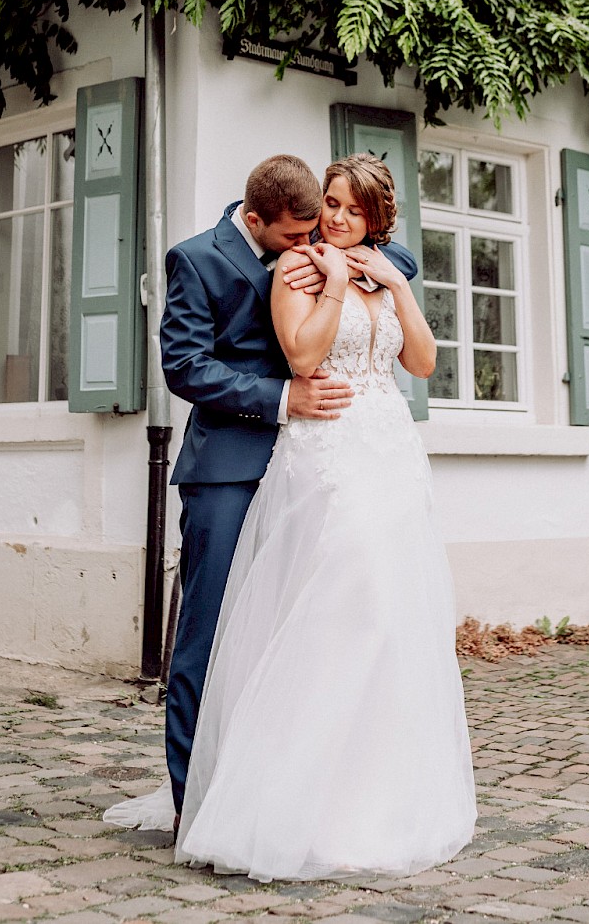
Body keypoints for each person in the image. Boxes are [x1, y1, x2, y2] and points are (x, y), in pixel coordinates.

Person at [174, 153, 476, 880]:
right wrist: (336, 284)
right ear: (266, 222)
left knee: (381, 619)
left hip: (382, 454)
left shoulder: (370, 261)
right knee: (227, 632)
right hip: (290, 456)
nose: (327, 224)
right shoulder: (254, 265)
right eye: (320, 212)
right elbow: (211, 365)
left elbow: (423, 354)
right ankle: (204, 802)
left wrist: (387, 276)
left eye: (343, 210)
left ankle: (364, 791)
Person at [103, 153, 418, 837]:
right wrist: (281, 396)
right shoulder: (196, 259)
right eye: (296, 235)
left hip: (312, 469)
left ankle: (275, 783)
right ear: (255, 220)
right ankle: (196, 803)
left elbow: (399, 256)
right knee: (209, 635)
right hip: (230, 468)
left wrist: (356, 266)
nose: (312, 242)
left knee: (290, 635)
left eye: (319, 230)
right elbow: (186, 366)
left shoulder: (315, 245)